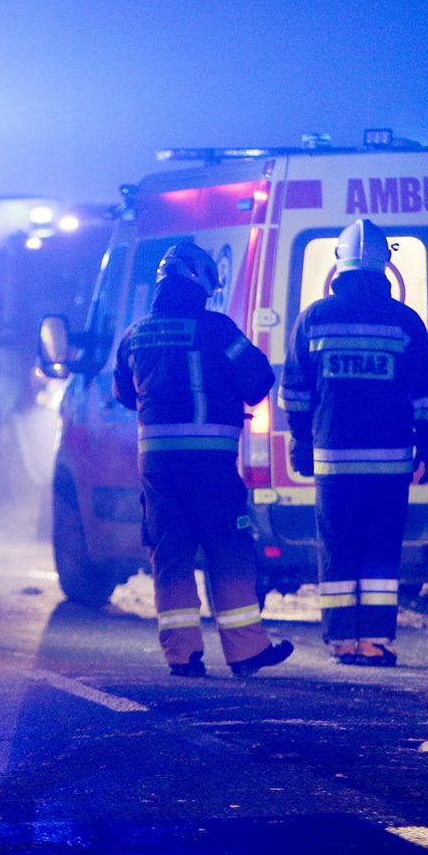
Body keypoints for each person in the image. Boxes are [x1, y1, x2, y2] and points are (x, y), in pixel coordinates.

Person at [114, 242, 295, 678]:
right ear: (199, 283)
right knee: (228, 548)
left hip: (156, 467)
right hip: (211, 465)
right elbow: (258, 380)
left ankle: (183, 655)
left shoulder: (135, 334)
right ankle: (246, 651)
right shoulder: (217, 330)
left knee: (170, 553)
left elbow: (123, 394)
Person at [280, 219, 428, 667]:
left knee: (337, 546)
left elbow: (295, 391)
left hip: (334, 460)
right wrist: (427, 447)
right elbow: (426, 398)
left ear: (340, 265)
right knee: (379, 549)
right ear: (384, 267)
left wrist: (300, 441)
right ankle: (373, 641)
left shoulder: (314, 318)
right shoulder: (405, 322)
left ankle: (340, 641)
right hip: (390, 463)